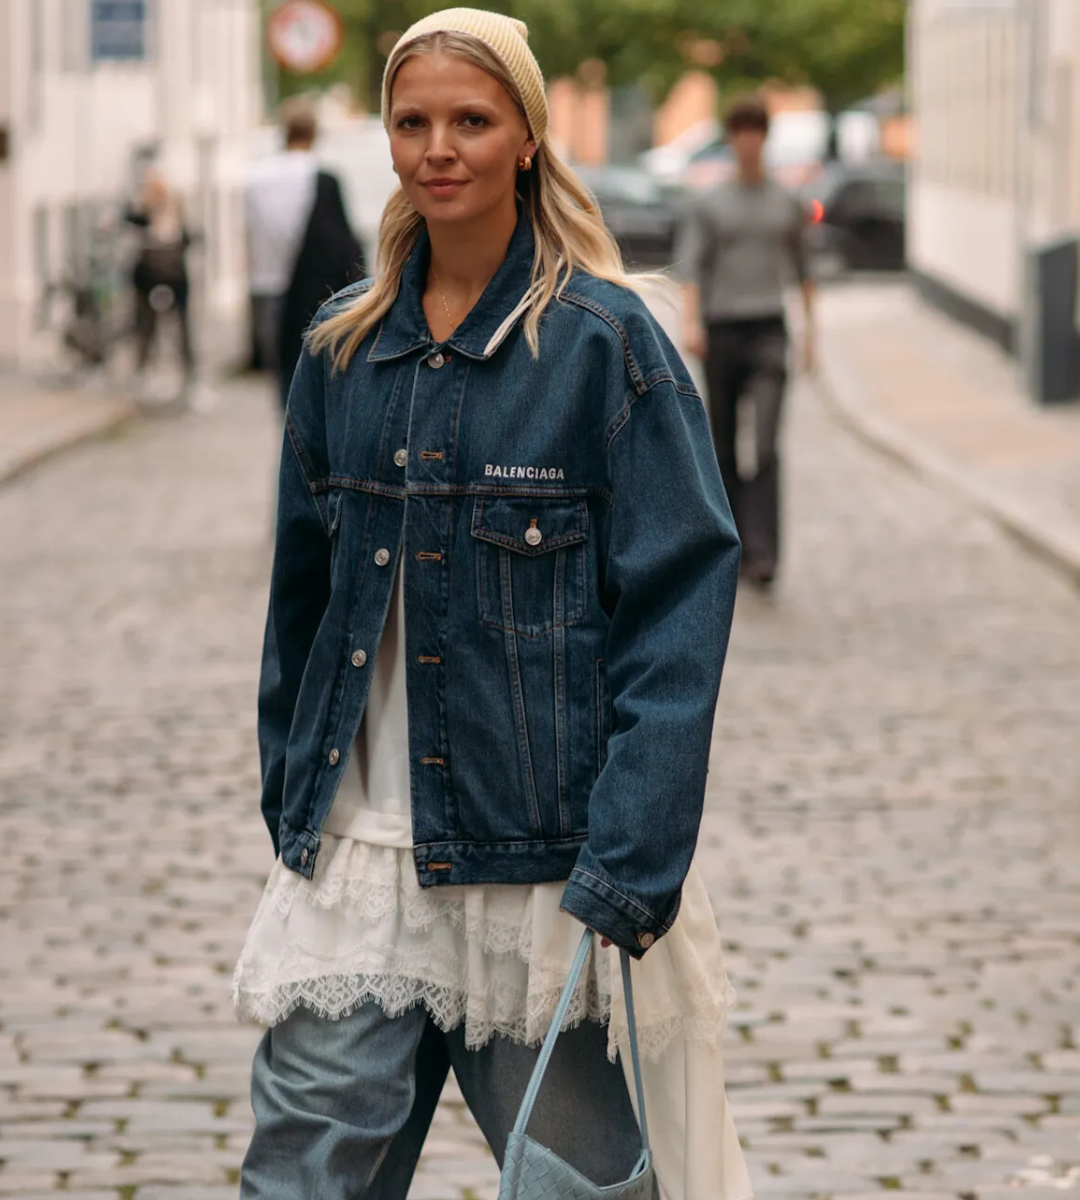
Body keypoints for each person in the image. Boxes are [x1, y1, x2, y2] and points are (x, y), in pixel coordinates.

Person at [231, 9, 751, 1200]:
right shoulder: (342, 350)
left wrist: (631, 859)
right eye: (412, 122)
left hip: (542, 871)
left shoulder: (605, 347)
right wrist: (291, 792)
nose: (439, 148)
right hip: (361, 862)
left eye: (472, 119)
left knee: (575, 1187)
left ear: (527, 135)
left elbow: (677, 609)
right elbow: (299, 604)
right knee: (301, 1177)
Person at [677, 95, 816, 586]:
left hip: (768, 329)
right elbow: (691, 268)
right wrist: (691, 325)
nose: (749, 140)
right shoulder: (709, 203)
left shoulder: (786, 202)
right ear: (732, 138)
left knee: (767, 444)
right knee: (723, 444)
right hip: (722, 329)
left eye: (756, 130)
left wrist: (810, 335)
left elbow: (804, 269)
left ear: (765, 137)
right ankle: (730, 542)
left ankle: (765, 552)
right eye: (741, 131)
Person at [243, 99, 364, 406]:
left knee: (284, 374)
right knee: (320, 374)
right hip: (314, 289)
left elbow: (249, 233)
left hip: (268, 284)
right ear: (314, 133)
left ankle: (288, 439)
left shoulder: (256, 178)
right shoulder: (322, 177)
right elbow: (341, 244)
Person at [125, 168, 195, 382]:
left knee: (180, 327)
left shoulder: (175, 213)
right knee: (146, 325)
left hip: (172, 276)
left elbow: (187, 236)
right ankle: (143, 370)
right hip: (151, 276)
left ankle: (188, 373)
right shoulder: (144, 214)